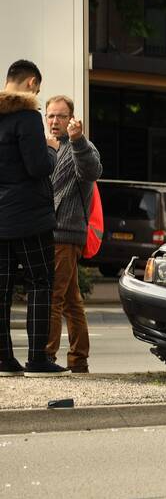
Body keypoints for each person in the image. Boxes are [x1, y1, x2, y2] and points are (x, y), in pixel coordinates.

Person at [0, 60, 67, 377]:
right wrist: (51, 148)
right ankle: (38, 360)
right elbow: (38, 167)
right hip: (29, 216)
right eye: (38, 88)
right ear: (30, 83)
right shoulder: (26, 117)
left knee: (2, 289)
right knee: (40, 284)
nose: (38, 93)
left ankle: (3, 360)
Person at [44, 95, 102, 373]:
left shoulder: (81, 146)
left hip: (64, 234)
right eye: (51, 116)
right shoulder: (48, 148)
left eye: (61, 116)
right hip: (49, 233)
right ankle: (79, 360)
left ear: (71, 119)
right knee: (70, 301)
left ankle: (45, 357)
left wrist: (78, 140)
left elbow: (92, 170)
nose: (55, 121)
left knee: (52, 297)